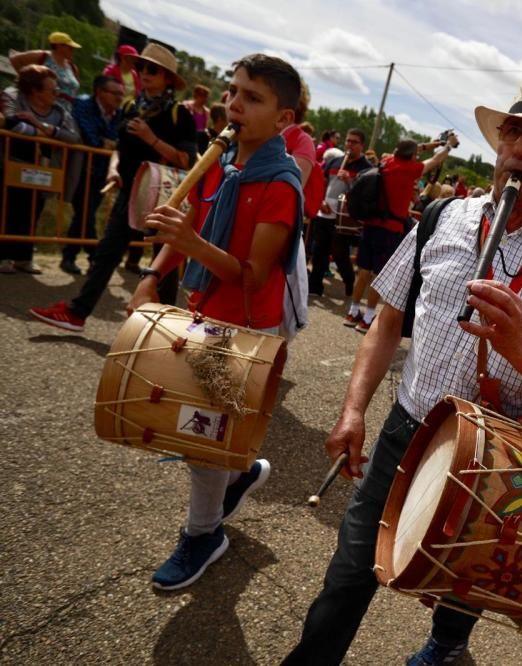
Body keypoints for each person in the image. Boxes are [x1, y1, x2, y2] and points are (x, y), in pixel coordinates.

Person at [285, 71, 522, 666]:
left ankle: (446, 645)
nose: (519, 147)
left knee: (469, 579)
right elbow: (387, 321)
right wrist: (354, 409)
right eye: (512, 132)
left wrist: (519, 345)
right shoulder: (444, 217)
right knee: (350, 571)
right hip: (409, 430)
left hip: (505, 452)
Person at [124, 53, 304, 589]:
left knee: (201, 437)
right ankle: (242, 471)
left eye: (252, 98)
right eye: (232, 92)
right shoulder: (221, 165)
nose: (233, 105)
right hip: (203, 313)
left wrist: (191, 245)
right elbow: (191, 225)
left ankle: (204, 535)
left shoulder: (281, 184)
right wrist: (154, 275)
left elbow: (251, 276)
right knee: (203, 430)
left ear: (283, 120)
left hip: (249, 329)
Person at [29, 43, 196, 331]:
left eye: (152, 69)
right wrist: (112, 170)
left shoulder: (179, 114)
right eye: (140, 67)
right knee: (107, 254)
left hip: (164, 197)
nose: (144, 73)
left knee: (163, 266)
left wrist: (151, 138)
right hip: (129, 193)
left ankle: (167, 330)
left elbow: (186, 160)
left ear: (168, 77)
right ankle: (77, 312)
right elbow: (119, 148)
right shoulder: (131, 106)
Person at [343, 135, 457, 332]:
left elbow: (413, 149)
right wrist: (448, 146)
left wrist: (434, 143)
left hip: (371, 225)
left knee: (363, 271)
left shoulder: (387, 161)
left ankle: (352, 312)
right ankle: (368, 317)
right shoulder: (410, 170)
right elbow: (436, 160)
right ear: (412, 155)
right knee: (378, 274)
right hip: (391, 229)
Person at [0, 65, 81, 274]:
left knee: (34, 209)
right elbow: (11, 124)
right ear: (35, 91)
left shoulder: (60, 111)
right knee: (9, 209)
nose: (58, 94)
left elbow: (73, 137)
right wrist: (48, 135)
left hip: (43, 168)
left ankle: (24, 257)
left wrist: (39, 126)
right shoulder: (12, 97)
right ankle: (4, 256)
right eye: (52, 90)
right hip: (11, 161)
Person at [60, 75, 125, 275]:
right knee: (84, 213)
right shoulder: (82, 105)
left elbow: (118, 139)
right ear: (100, 92)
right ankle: (94, 257)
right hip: (80, 169)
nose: (119, 98)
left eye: (121, 94)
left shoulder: (119, 114)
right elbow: (91, 138)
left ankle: (69, 257)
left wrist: (108, 142)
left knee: (84, 214)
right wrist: (107, 142)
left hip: (102, 172)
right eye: (115, 93)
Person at [309, 127, 370, 297]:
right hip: (325, 212)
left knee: (339, 253)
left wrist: (350, 181)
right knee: (319, 250)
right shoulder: (335, 161)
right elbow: (320, 183)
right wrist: (320, 200)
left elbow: (364, 194)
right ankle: (315, 287)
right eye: (348, 141)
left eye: (354, 142)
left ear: (362, 145)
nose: (349, 145)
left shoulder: (366, 168)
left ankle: (349, 280)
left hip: (345, 218)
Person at [10, 31, 81, 109]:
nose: (72, 50)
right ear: (59, 46)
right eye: (70, 47)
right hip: (40, 106)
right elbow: (15, 59)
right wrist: (26, 79)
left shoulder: (72, 67)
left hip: (64, 111)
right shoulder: (43, 56)